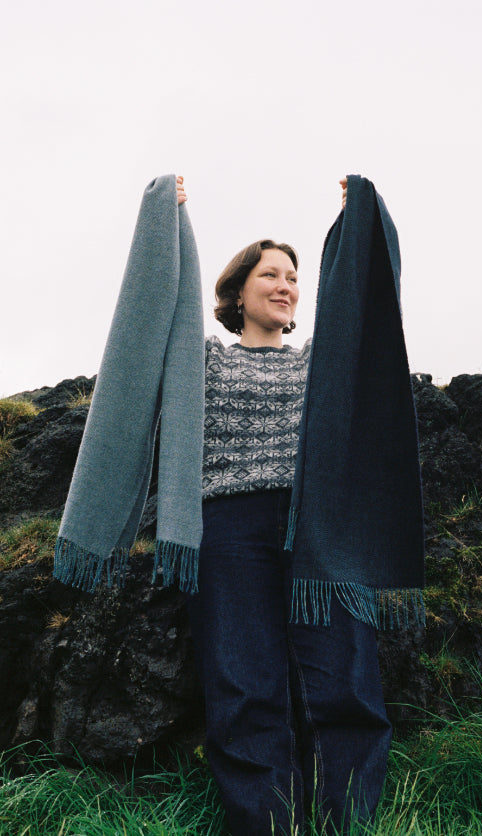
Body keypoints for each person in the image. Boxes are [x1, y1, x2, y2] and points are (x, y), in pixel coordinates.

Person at [178, 176, 393, 835]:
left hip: (320, 529)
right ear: (237, 290)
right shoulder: (209, 362)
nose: (286, 285)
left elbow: (365, 307)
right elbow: (165, 313)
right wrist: (173, 217)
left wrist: (356, 222)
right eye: (270, 273)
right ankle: (266, 826)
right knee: (245, 684)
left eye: (294, 277)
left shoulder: (317, 366)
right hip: (231, 528)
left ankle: (346, 826)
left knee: (346, 680)